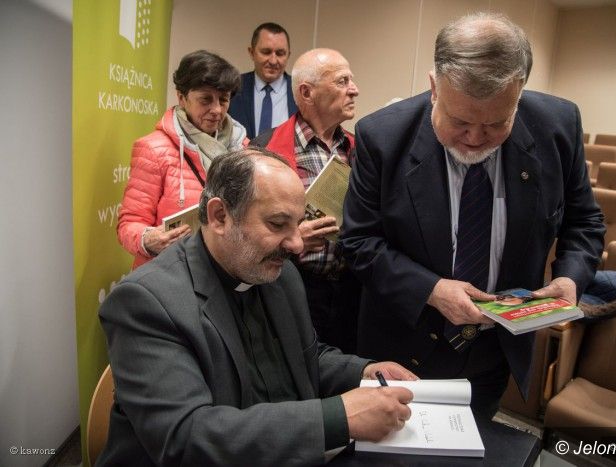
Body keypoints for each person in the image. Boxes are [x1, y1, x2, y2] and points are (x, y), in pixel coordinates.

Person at [340, 12, 605, 418]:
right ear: (434, 87)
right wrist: (432, 289)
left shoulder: (557, 126)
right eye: (460, 121)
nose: (476, 139)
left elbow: (584, 222)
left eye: (497, 123)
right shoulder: (382, 136)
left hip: (493, 352)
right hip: (401, 349)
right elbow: (359, 242)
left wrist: (570, 278)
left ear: (519, 94)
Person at [98, 148, 416, 466]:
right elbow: (187, 438)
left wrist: (363, 372)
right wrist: (337, 418)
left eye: (298, 224)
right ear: (219, 216)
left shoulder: (279, 274)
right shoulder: (146, 302)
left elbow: (304, 358)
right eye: (277, 224)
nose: (296, 244)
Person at [252, 48, 361, 353]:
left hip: (349, 295)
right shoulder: (263, 149)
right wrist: (292, 238)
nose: (354, 89)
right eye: (342, 81)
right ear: (306, 92)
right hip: (289, 289)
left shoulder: (359, 148)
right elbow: (245, 232)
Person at [118, 50, 248, 269]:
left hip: (223, 270)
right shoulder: (153, 149)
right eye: (206, 99)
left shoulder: (241, 147)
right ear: (181, 97)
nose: (217, 110)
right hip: (170, 271)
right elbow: (129, 224)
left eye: (224, 99)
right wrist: (149, 239)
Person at [228, 22, 298, 138]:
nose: (273, 61)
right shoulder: (232, 87)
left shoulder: (301, 92)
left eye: (280, 54)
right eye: (266, 52)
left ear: (288, 55)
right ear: (252, 53)